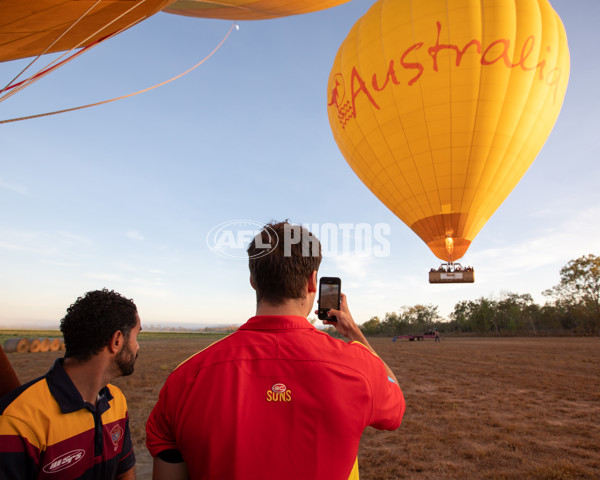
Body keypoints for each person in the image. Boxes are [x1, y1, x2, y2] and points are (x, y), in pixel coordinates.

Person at [146, 221, 405, 480]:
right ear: (312, 282)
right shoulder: (359, 365)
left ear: (252, 280)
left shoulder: (186, 377)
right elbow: (395, 410)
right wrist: (355, 335)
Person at [0, 289, 141, 480]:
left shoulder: (116, 401)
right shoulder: (17, 421)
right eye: (135, 336)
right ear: (117, 341)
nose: (137, 346)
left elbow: (124, 472)